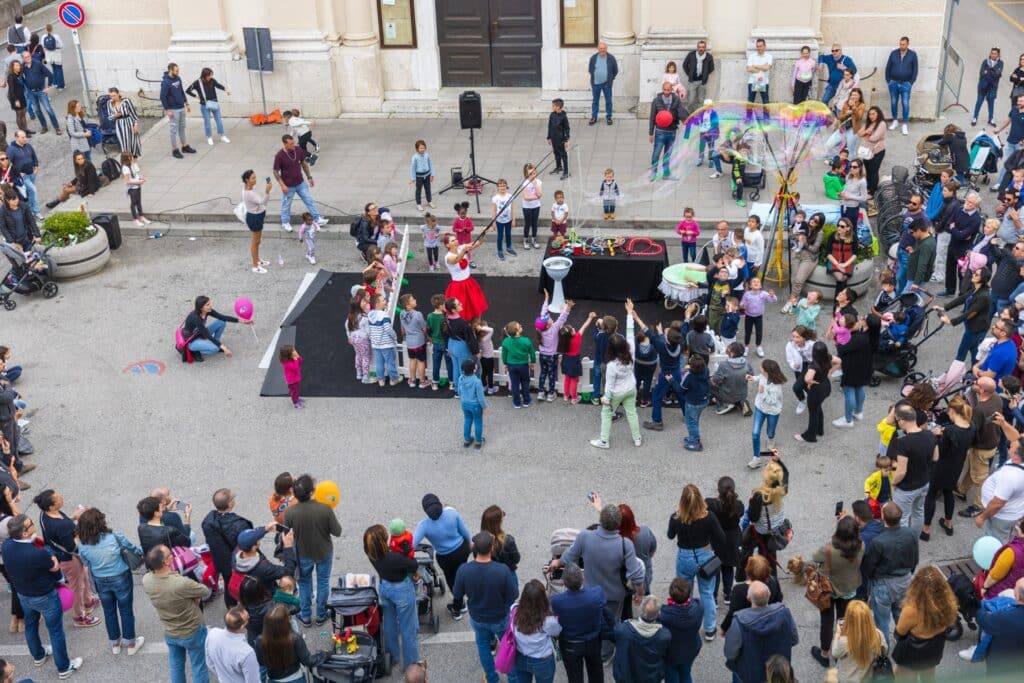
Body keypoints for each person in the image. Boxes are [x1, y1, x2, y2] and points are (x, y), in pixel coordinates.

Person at [1, 514, 84, 678]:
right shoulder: (38, 554)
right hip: (45, 596)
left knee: (31, 625)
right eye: (30, 524)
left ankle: (38, 655)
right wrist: (53, 564)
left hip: (23, 594)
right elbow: (57, 576)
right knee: (55, 631)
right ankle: (64, 667)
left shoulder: (7, 546)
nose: (33, 524)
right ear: (24, 533)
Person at [551, 504, 645, 630]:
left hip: (590, 593)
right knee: (611, 624)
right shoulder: (625, 544)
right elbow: (636, 575)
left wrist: (557, 562)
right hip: (614, 597)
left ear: (600, 521)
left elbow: (569, 556)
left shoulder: (585, 537)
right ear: (618, 523)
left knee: (591, 622)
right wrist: (639, 592)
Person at [452, 531, 517, 683]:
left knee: (483, 647)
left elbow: (457, 594)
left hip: (477, 617)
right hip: (500, 617)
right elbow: (513, 595)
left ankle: (491, 678)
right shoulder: (502, 570)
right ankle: (513, 678)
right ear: (492, 549)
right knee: (508, 648)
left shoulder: (464, 570)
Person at [143, 545, 210, 683]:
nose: (173, 555)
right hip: (192, 630)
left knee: (176, 665)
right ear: (166, 562)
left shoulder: (147, 580)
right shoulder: (180, 583)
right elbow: (204, 591)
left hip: (170, 631)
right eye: (170, 554)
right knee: (199, 666)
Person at [667, 484, 726, 642]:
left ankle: (687, 626)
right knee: (707, 593)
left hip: (685, 557)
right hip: (705, 554)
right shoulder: (709, 517)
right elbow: (721, 538)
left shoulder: (676, 518)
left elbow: (670, 535)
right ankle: (709, 629)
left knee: (685, 594)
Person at [34, 490, 100, 628]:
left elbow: (62, 529)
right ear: (51, 506)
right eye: (57, 498)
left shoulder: (44, 515)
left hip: (61, 555)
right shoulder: (60, 526)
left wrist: (73, 517)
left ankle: (88, 601)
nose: (61, 498)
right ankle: (79, 616)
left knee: (84, 578)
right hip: (69, 559)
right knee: (77, 587)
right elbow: (71, 547)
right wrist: (80, 534)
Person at [283, 474, 342, 627]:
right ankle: (321, 615)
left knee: (304, 583)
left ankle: (306, 616)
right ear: (311, 492)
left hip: (302, 553)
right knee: (323, 582)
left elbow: (286, 535)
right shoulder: (325, 509)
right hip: (324, 552)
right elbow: (337, 531)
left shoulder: (290, 513)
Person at [808, 517, 865, 668]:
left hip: (828, 590)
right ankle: (842, 652)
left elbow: (814, 558)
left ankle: (824, 654)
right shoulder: (861, 546)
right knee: (843, 621)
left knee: (826, 621)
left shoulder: (829, 550)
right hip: (849, 589)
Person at [363, 524, 419, 671]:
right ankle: (411, 665)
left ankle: (393, 656)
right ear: (382, 540)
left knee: (389, 622)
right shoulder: (395, 558)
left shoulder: (370, 553)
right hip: (401, 590)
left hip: (385, 588)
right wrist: (406, 553)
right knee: (408, 628)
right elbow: (413, 564)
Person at [921, 396, 975, 541]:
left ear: (952, 411)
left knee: (931, 495)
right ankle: (948, 523)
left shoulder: (951, 431)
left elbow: (941, 451)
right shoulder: (971, 426)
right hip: (957, 466)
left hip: (941, 467)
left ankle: (926, 529)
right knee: (948, 492)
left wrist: (937, 436)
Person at [862, 503, 918, 643]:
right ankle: (903, 643)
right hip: (905, 580)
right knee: (901, 614)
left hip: (884, 585)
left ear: (882, 516)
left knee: (882, 623)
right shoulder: (911, 533)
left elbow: (869, 567)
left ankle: (883, 652)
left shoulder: (878, 542)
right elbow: (915, 558)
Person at [723, 581, 799, 683]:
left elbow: (730, 653)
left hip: (748, 675)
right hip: (777, 673)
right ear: (769, 594)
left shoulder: (739, 622)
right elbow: (794, 640)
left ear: (749, 598)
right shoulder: (785, 613)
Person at [890, 566, 957, 680]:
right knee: (929, 677)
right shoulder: (948, 604)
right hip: (934, 649)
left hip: (912, 653)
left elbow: (900, 632)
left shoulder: (912, 609)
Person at [413, 493, 472, 620]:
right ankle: (462, 600)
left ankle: (458, 607)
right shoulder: (452, 513)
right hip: (462, 550)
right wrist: (470, 544)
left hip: (445, 558)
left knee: (452, 580)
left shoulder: (424, 525)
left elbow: (412, 544)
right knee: (461, 574)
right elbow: (465, 532)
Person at [955, 376, 1004, 518]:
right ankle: (961, 490)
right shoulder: (996, 397)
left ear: (982, 390)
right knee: (972, 469)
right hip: (993, 440)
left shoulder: (979, 410)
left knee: (981, 478)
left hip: (982, 447)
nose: (973, 384)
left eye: (976, 383)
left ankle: (979, 505)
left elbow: (972, 430)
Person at [970, 414, 1024, 541]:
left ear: (1016, 456)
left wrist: (982, 517)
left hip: (1001, 516)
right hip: (1014, 511)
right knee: (1006, 536)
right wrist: (1004, 424)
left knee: (996, 541)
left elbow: (997, 503)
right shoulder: (1020, 457)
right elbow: (1017, 437)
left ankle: (996, 559)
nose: (1010, 445)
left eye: (1011, 446)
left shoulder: (1011, 476)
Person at [549, 563, 606, 683]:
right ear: (583, 578)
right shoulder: (597, 594)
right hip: (593, 642)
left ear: (564, 582)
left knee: (574, 677)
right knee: (596, 673)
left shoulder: (556, 602)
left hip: (570, 645)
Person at [201, 488, 255, 609]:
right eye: (232, 498)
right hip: (238, 561)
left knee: (228, 584)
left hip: (221, 562)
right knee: (246, 584)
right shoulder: (239, 524)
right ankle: (246, 608)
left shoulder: (208, 521)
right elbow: (247, 543)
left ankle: (231, 609)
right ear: (230, 503)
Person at [887, 404, 936, 534]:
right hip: (924, 482)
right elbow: (935, 457)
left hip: (907, 488)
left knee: (902, 517)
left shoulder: (903, 442)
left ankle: (902, 543)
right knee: (918, 512)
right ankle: (914, 538)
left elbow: (901, 471)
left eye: (898, 420)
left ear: (902, 420)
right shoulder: (930, 435)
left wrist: (893, 482)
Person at [739, 457, 789, 575]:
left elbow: (753, 518)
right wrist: (779, 461)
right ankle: (771, 576)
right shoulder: (782, 489)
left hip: (762, 530)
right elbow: (786, 474)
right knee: (770, 554)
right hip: (777, 527)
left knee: (746, 544)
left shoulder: (758, 496)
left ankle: (743, 573)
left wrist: (751, 503)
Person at [589, 334, 641, 449]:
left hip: (617, 393)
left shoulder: (612, 365)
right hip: (631, 388)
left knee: (606, 414)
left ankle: (604, 441)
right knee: (632, 413)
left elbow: (609, 384)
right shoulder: (631, 353)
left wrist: (606, 398)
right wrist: (630, 317)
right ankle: (637, 438)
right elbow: (631, 335)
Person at [256, 604, 328, 682]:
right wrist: (325, 654)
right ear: (286, 622)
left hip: (273, 679)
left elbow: (262, 664)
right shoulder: (295, 638)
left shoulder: (259, 640)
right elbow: (309, 661)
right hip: (295, 678)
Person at [938, 267, 993, 365]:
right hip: (972, 326)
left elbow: (970, 313)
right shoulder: (975, 288)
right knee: (975, 352)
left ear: (983, 278)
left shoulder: (984, 296)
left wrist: (951, 321)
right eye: (974, 273)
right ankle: (975, 371)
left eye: (976, 274)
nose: (973, 275)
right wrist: (945, 308)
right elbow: (962, 298)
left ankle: (954, 374)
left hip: (976, 328)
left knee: (962, 353)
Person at [273, 134, 327, 232]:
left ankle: (317, 218)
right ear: (285, 144)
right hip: (288, 185)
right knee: (286, 204)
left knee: (309, 200)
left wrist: (309, 177)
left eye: (293, 142)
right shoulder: (279, 156)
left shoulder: (298, 150)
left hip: (300, 182)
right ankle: (285, 222)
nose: (294, 145)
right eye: (291, 144)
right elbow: (275, 172)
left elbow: (304, 164)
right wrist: (282, 185)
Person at [510, 579, 561, 683]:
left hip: (520, 657)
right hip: (543, 661)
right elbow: (557, 632)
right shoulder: (548, 621)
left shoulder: (514, 610)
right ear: (543, 599)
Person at [612, 596, 671, 683]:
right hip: (651, 678)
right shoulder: (664, 635)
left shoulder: (622, 630)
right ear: (658, 614)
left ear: (641, 610)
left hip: (627, 677)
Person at [974, 576, 1024, 677]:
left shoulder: (1007, 617)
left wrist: (977, 607)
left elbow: (984, 621)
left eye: (1015, 587)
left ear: (1017, 596)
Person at [828, 599, 887, 683]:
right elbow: (884, 650)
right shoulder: (878, 634)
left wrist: (837, 634)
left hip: (847, 679)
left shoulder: (845, 641)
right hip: (868, 677)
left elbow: (835, 653)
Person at [181, 295, 254, 360]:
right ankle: (195, 350)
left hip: (199, 334)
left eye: (209, 303)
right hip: (191, 341)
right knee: (215, 348)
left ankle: (216, 343)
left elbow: (222, 317)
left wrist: (242, 321)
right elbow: (207, 335)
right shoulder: (195, 318)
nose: (210, 306)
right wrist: (224, 348)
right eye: (207, 305)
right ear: (201, 308)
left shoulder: (207, 311)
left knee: (222, 322)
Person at [231, 526, 298, 595]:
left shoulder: (236, 552)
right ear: (254, 547)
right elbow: (288, 571)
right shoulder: (264, 568)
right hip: (266, 594)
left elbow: (246, 539)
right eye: (257, 539)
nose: (259, 539)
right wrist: (288, 546)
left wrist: (265, 529)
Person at [204, 607, 260, 683]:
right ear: (242, 626)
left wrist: (223, 676)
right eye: (247, 618)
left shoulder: (212, 633)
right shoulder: (247, 653)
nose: (249, 617)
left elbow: (209, 662)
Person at [648, 81, 688, 181]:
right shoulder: (656, 101)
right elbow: (652, 117)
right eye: (664, 89)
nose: (666, 91)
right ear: (662, 89)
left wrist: (686, 120)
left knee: (668, 155)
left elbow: (680, 111)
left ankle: (666, 173)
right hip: (660, 132)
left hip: (672, 131)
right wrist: (651, 133)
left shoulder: (676, 99)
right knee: (656, 153)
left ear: (671, 89)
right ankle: (654, 172)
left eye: (668, 90)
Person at [795, 341, 833, 443]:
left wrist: (810, 382)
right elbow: (839, 362)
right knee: (818, 408)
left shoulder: (814, 365)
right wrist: (829, 373)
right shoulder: (828, 357)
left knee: (813, 413)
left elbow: (807, 378)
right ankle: (820, 430)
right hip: (826, 386)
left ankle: (810, 435)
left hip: (816, 391)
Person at [185, 67, 231, 146]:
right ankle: (209, 137)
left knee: (219, 120)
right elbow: (188, 90)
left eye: (211, 75)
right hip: (204, 105)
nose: (211, 77)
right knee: (207, 122)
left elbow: (218, 85)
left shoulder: (212, 80)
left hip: (214, 102)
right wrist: (196, 96)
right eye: (209, 75)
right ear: (205, 75)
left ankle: (222, 136)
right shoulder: (197, 82)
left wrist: (226, 89)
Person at [20, 51, 59, 136]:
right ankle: (44, 126)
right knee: (37, 111)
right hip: (31, 92)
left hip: (41, 91)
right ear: (23, 59)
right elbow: (20, 78)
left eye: (29, 56)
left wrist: (48, 87)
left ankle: (57, 127)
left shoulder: (37, 64)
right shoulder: (22, 67)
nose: (28, 58)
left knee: (49, 110)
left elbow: (50, 75)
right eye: (26, 57)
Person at [159, 63, 194, 158]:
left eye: (178, 70)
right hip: (173, 109)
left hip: (181, 107)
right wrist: (167, 109)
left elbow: (181, 91)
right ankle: (175, 150)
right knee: (173, 130)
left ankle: (184, 146)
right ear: (170, 70)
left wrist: (186, 103)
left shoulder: (178, 78)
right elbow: (162, 97)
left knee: (182, 127)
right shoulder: (165, 82)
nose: (178, 72)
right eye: (176, 70)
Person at [241, 170, 272, 273]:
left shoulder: (248, 188)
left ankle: (257, 260)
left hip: (256, 215)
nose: (255, 180)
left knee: (257, 241)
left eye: (255, 177)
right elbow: (263, 202)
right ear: (247, 180)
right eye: (253, 178)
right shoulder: (249, 193)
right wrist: (267, 192)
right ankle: (255, 266)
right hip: (255, 217)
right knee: (255, 242)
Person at [991, 93, 1024, 191]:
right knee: (1007, 164)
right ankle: (1000, 184)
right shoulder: (1014, 109)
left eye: (1021, 101)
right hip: (1010, 142)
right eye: (1018, 100)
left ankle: (1014, 186)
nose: (1019, 103)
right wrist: (999, 129)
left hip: (1021, 145)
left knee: (1018, 167)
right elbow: (1008, 120)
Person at [885, 37, 917, 135]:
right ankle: (895, 121)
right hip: (893, 83)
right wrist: (888, 81)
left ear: (908, 44)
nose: (901, 46)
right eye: (900, 44)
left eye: (903, 44)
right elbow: (888, 67)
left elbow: (915, 69)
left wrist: (910, 82)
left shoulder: (912, 55)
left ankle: (904, 124)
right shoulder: (894, 53)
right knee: (894, 102)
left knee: (905, 103)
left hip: (905, 84)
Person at [791, 212, 826, 301]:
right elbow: (791, 236)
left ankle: (792, 302)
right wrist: (795, 236)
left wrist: (805, 242)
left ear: (819, 224)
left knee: (799, 280)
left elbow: (814, 249)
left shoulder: (820, 233)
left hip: (810, 257)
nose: (812, 221)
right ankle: (794, 297)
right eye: (812, 218)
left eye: (816, 221)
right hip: (798, 253)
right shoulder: (803, 225)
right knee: (793, 279)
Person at [6, 129, 40, 220]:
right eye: (23, 137)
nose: (25, 139)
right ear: (17, 138)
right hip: (23, 177)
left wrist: (36, 166)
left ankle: (29, 213)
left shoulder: (28, 146)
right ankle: (36, 212)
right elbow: (8, 165)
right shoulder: (11, 150)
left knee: (29, 194)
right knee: (33, 191)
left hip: (32, 174)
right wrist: (18, 173)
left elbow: (34, 156)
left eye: (25, 137)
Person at [859, 107, 888, 198]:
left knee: (874, 171)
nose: (871, 116)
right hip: (866, 151)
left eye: (873, 114)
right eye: (870, 114)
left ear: (878, 114)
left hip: (877, 151)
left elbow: (874, 138)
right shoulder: (869, 123)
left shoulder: (882, 124)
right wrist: (867, 132)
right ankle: (868, 187)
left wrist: (866, 134)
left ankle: (872, 192)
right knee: (868, 170)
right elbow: (859, 133)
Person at [587, 42, 618, 125]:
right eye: (601, 48)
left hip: (606, 84)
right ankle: (594, 117)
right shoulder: (593, 58)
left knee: (608, 101)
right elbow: (590, 70)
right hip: (596, 84)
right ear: (598, 49)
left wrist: (610, 79)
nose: (602, 50)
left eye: (604, 48)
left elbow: (615, 70)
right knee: (595, 101)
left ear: (606, 49)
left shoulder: (611, 58)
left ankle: (609, 117)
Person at [458, 358, 486, 448]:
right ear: (474, 369)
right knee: (478, 422)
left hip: (464, 403)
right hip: (476, 405)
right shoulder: (477, 382)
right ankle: (478, 441)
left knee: (467, 420)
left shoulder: (461, 378)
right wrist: (484, 407)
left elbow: (459, 391)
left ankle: (467, 440)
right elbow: (480, 397)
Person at [106, 88, 141, 158]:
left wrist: (136, 125)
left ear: (118, 93)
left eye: (114, 95)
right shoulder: (109, 102)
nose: (113, 97)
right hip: (119, 125)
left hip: (129, 122)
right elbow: (109, 117)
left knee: (133, 143)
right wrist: (115, 115)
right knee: (124, 144)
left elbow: (133, 113)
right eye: (111, 96)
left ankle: (135, 162)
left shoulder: (126, 101)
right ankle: (129, 162)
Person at [682, 41, 714, 110]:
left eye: (703, 47)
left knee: (701, 100)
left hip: (702, 81)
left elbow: (712, 68)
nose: (701, 49)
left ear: (705, 48)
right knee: (691, 100)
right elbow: (684, 65)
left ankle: (698, 115)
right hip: (692, 81)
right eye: (699, 47)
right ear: (697, 47)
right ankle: (690, 115)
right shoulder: (691, 55)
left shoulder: (708, 56)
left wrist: (705, 74)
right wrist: (689, 74)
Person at [120, 151, 148, 227]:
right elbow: (127, 181)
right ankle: (135, 219)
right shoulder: (125, 168)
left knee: (139, 202)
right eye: (130, 157)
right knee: (133, 203)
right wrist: (138, 182)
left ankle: (141, 216)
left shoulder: (132, 165)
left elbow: (136, 174)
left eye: (131, 156)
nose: (132, 158)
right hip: (132, 188)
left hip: (137, 186)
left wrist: (140, 178)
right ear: (126, 159)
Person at [5, 61, 31, 136]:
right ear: (12, 67)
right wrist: (16, 100)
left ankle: (26, 129)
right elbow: (11, 90)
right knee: (19, 114)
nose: (18, 67)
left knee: (23, 113)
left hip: (21, 96)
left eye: (19, 65)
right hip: (14, 97)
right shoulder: (11, 76)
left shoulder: (19, 74)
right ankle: (22, 133)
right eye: (16, 66)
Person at [547, 98, 570, 179]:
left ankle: (566, 171)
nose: (552, 107)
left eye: (553, 106)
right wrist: (549, 137)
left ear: (558, 107)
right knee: (556, 153)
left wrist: (566, 140)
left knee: (563, 154)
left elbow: (567, 128)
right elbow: (549, 126)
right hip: (554, 138)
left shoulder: (563, 117)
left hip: (560, 139)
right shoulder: (552, 115)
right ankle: (559, 167)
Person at [746, 38, 773, 108]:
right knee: (750, 102)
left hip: (764, 82)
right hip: (752, 81)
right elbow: (748, 68)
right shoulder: (752, 56)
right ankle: (749, 118)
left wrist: (755, 66)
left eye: (760, 46)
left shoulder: (769, 56)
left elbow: (767, 68)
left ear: (764, 46)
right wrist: (762, 68)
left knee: (766, 102)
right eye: (757, 46)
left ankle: (766, 118)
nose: (759, 48)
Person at [409, 139, 435, 211]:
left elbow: (430, 164)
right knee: (418, 190)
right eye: (420, 148)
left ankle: (429, 201)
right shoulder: (415, 157)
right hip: (419, 177)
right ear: (417, 149)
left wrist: (432, 174)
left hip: (427, 175)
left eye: (423, 147)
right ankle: (418, 204)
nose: (422, 149)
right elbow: (413, 168)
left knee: (428, 189)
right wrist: (413, 178)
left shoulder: (427, 155)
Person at [42, 24, 63, 90]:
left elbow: (43, 46)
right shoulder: (56, 36)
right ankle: (61, 86)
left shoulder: (43, 37)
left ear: (46, 29)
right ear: (52, 29)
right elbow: (61, 45)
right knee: (59, 69)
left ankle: (55, 83)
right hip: (56, 53)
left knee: (53, 68)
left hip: (48, 54)